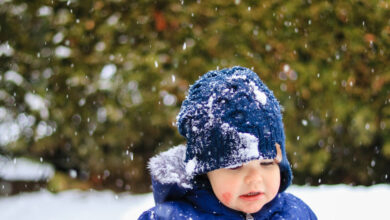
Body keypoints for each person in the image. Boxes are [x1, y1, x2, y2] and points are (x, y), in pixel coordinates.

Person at [138, 66, 317, 219]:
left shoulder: (296, 213)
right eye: (236, 165)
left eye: (267, 162)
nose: (255, 177)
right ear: (205, 173)